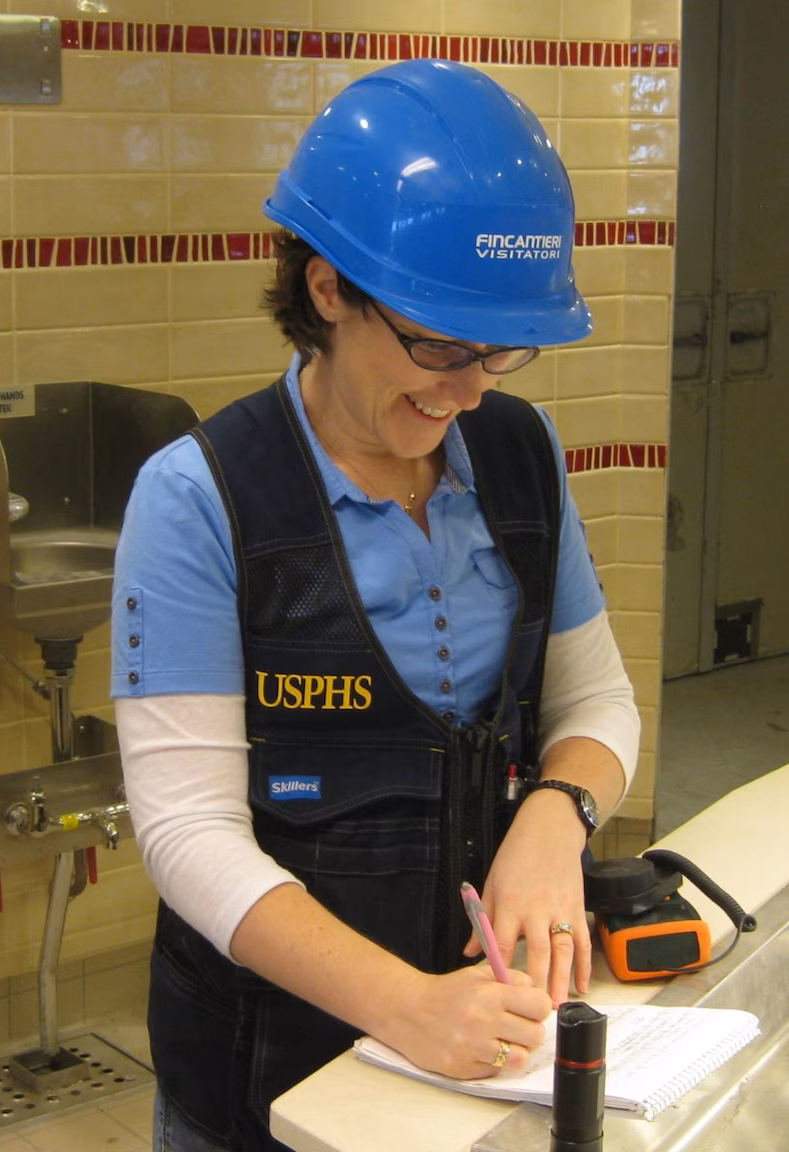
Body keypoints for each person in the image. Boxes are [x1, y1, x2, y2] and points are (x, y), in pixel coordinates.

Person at [111, 58, 641, 1152]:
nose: (468, 390)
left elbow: (598, 704)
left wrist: (555, 816)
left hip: (473, 1060)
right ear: (326, 290)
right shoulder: (198, 497)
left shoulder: (519, 455)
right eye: (436, 345)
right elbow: (187, 835)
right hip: (265, 1071)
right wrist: (407, 1007)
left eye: (497, 351)